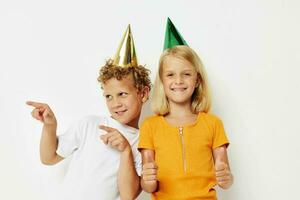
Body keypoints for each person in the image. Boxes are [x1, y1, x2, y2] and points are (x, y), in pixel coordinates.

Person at [26, 25, 151, 200]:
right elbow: (49, 158)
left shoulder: (144, 142)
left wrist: (125, 151)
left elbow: (128, 195)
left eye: (122, 94)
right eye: (108, 96)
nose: (115, 104)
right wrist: (50, 126)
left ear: (143, 94)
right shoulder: (89, 125)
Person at [138, 18, 233, 200]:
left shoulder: (213, 124)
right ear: (162, 81)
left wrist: (226, 177)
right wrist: (147, 178)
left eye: (186, 74)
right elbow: (148, 186)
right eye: (170, 75)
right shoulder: (150, 126)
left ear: (197, 80)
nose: (179, 81)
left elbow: (225, 181)